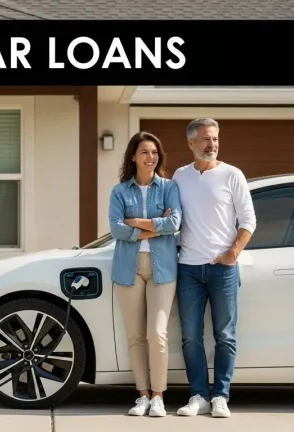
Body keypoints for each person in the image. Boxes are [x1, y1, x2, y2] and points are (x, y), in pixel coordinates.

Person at [171, 118, 256, 418]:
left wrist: (232, 253)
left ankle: (220, 396)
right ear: (191, 143)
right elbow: (173, 219)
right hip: (188, 269)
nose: (212, 144)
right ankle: (198, 396)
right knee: (191, 336)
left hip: (223, 269)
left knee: (225, 335)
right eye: (206, 139)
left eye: (216, 139)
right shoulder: (179, 177)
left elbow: (248, 220)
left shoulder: (233, 175)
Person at [108, 131, 182, 417]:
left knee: (157, 333)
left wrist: (135, 223)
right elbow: (116, 230)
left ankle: (160, 396)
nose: (150, 157)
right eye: (144, 152)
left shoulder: (169, 188)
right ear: (133, 157)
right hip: (128, 269)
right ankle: (143, 395)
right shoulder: (119, 191)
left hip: (163, 268)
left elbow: (174, 223)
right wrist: (154, 225)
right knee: (135, 335)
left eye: (154, 152)